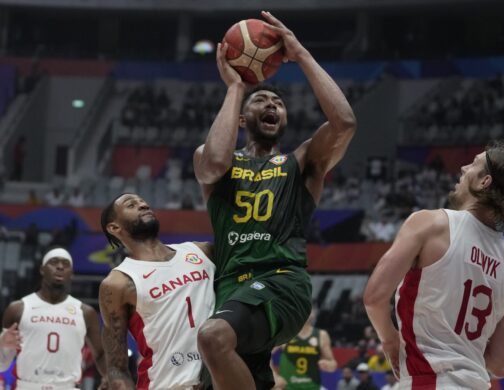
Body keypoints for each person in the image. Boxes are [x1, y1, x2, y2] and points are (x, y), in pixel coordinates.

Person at [193, 10, 356, 390]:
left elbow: (345, 124)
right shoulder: (217, 159)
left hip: (281, 281)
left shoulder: (301, 162)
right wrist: (235, 88)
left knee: (213, 338)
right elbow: (214, 162)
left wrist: (301, 56)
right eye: (260, 100)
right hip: (232, 289)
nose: (271, 105)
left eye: (278, 103)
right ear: (242, 119)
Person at [364, 142, 504, 389]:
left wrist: (389, 339)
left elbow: (374, 297)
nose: (463, 168)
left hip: (429, 380)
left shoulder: (431, 224)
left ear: (484, 182)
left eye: (473, 164)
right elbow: (502, 364)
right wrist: (462, 354)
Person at [99, 193, 216, 389]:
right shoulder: (118, 283)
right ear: (114, 227)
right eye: (131, 204)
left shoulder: (201, 251)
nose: (143, 204)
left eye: (143, 201)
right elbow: (117, 369)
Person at [0, 247, 107, 389]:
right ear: (42, 269)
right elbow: (2, 364)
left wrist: (110, 377)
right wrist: (2, 345)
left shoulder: (85, 312)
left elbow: (100, 354)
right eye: (54, 262)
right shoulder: (18, 309)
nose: (60, 266)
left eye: (66, 264)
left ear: (72, 273)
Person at [273, 308, 337, 389]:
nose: (305, 312)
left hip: (312, 386)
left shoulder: (321, 335)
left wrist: (328, 365)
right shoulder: (286, 332)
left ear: (313, 315)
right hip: (288, 387)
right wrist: (274, 376)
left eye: (309, 310)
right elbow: (266, 355)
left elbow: (333, 364)